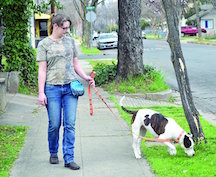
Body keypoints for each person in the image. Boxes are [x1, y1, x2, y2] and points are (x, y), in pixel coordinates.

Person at [36, 14, 95, 170]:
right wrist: (41, 93)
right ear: (55, 26)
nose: (67, 31)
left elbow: (76, 64)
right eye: (65, 28)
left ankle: (69, 158)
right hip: (52, 88)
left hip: (70, 88)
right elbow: (42, 70)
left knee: (70, 124)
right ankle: (53, 152)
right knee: (54, 124)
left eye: (69, 27)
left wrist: (86, 77)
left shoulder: (70, 42)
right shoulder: (44, 44)